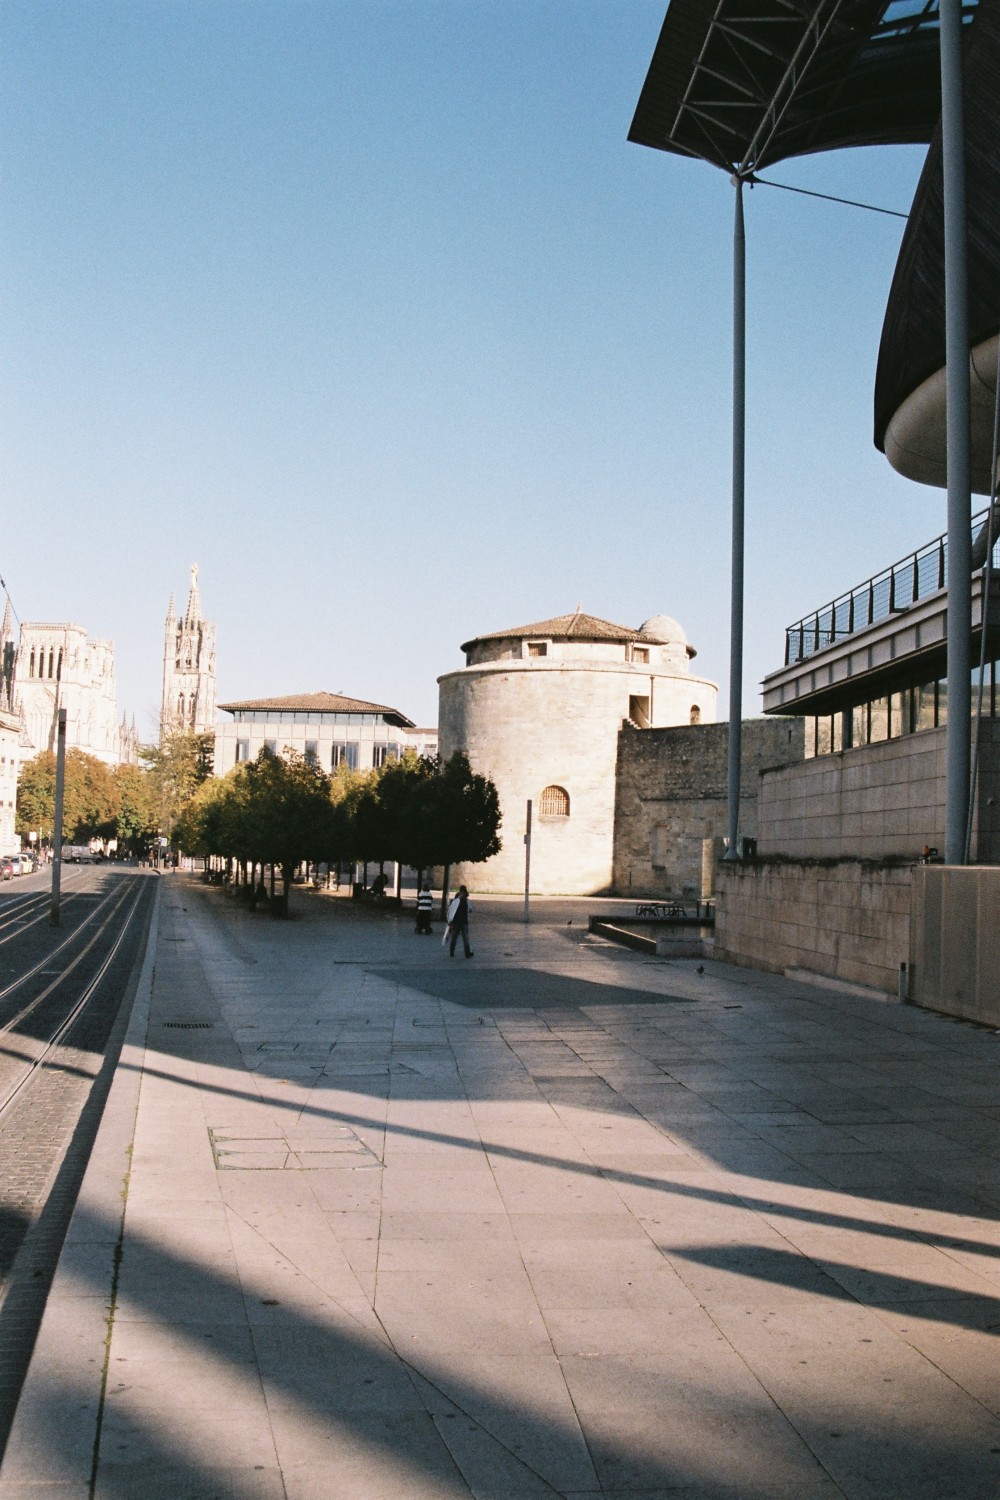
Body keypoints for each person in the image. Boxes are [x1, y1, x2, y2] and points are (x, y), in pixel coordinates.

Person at [447, 885, 474, 958]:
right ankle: (466, 953)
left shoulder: (456, 901)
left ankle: (452, 952)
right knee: (463, 938)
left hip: (459, 922)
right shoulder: (465, 901)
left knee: (456, 938)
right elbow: (469, 910)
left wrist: (450, 921)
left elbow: (450, 912)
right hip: (461, 922)